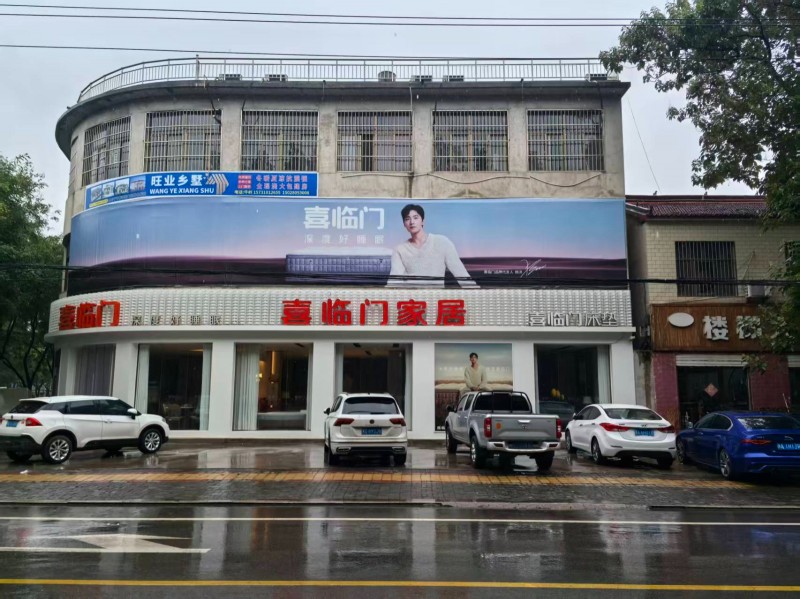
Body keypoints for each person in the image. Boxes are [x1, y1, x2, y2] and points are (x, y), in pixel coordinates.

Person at [387, 203, 478, 288]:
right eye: (407, 219)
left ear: (423, 221)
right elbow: (394, 281)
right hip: (411, 298)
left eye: (415, 218)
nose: (412, 222)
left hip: (436, 297)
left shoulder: (442, 242)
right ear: (404, 224)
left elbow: (461, 274)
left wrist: (477, 294)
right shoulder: (399, 249)